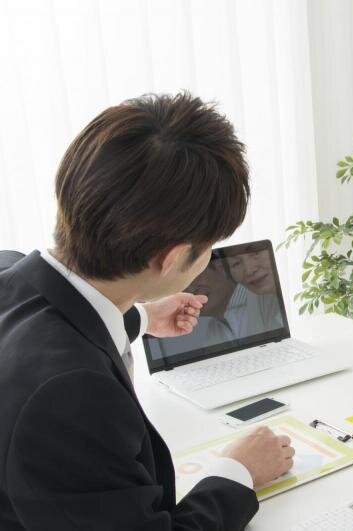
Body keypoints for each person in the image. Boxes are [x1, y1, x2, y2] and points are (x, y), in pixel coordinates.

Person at [0, 93, 295, 530]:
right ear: (171, 259)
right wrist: (237, 472)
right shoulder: (73, 396)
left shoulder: (8, 270)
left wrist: (140, 317)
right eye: (207, 249)